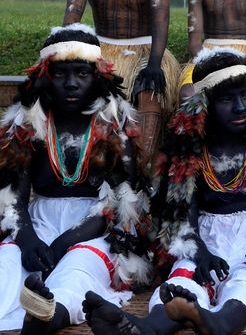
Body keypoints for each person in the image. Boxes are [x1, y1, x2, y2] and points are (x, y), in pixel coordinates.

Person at [83, 48, 246, 334]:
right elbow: (181, 218)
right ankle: (143, 328)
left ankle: (220, 323)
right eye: (226, 99)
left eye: (245, 96)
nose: (240, 107)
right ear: (204, 104)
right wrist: (200, 253)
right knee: (183, 279)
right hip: (207, 238)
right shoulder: (189, 148)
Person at [0, 23, 151, 332]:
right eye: (60, 74)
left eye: (82, 74)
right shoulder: (28, 122)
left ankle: (44, 318)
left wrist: (64, 243)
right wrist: (28, 239)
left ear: (98, 77)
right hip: (39, 220)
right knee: (9, 266)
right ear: (45, 77)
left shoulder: (112, 124)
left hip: (93, 229)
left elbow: (116, 205)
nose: (71, 84)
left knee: (77, 271)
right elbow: (14, 195)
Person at [63, 0, 180, 168]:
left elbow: (161, 17)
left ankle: (140, 168)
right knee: (93, 98)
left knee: (150, 89)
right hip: (102, 50)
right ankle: (97, 167)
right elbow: (73, 13)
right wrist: (67, 53)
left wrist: (154, 63)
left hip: (145, 50)